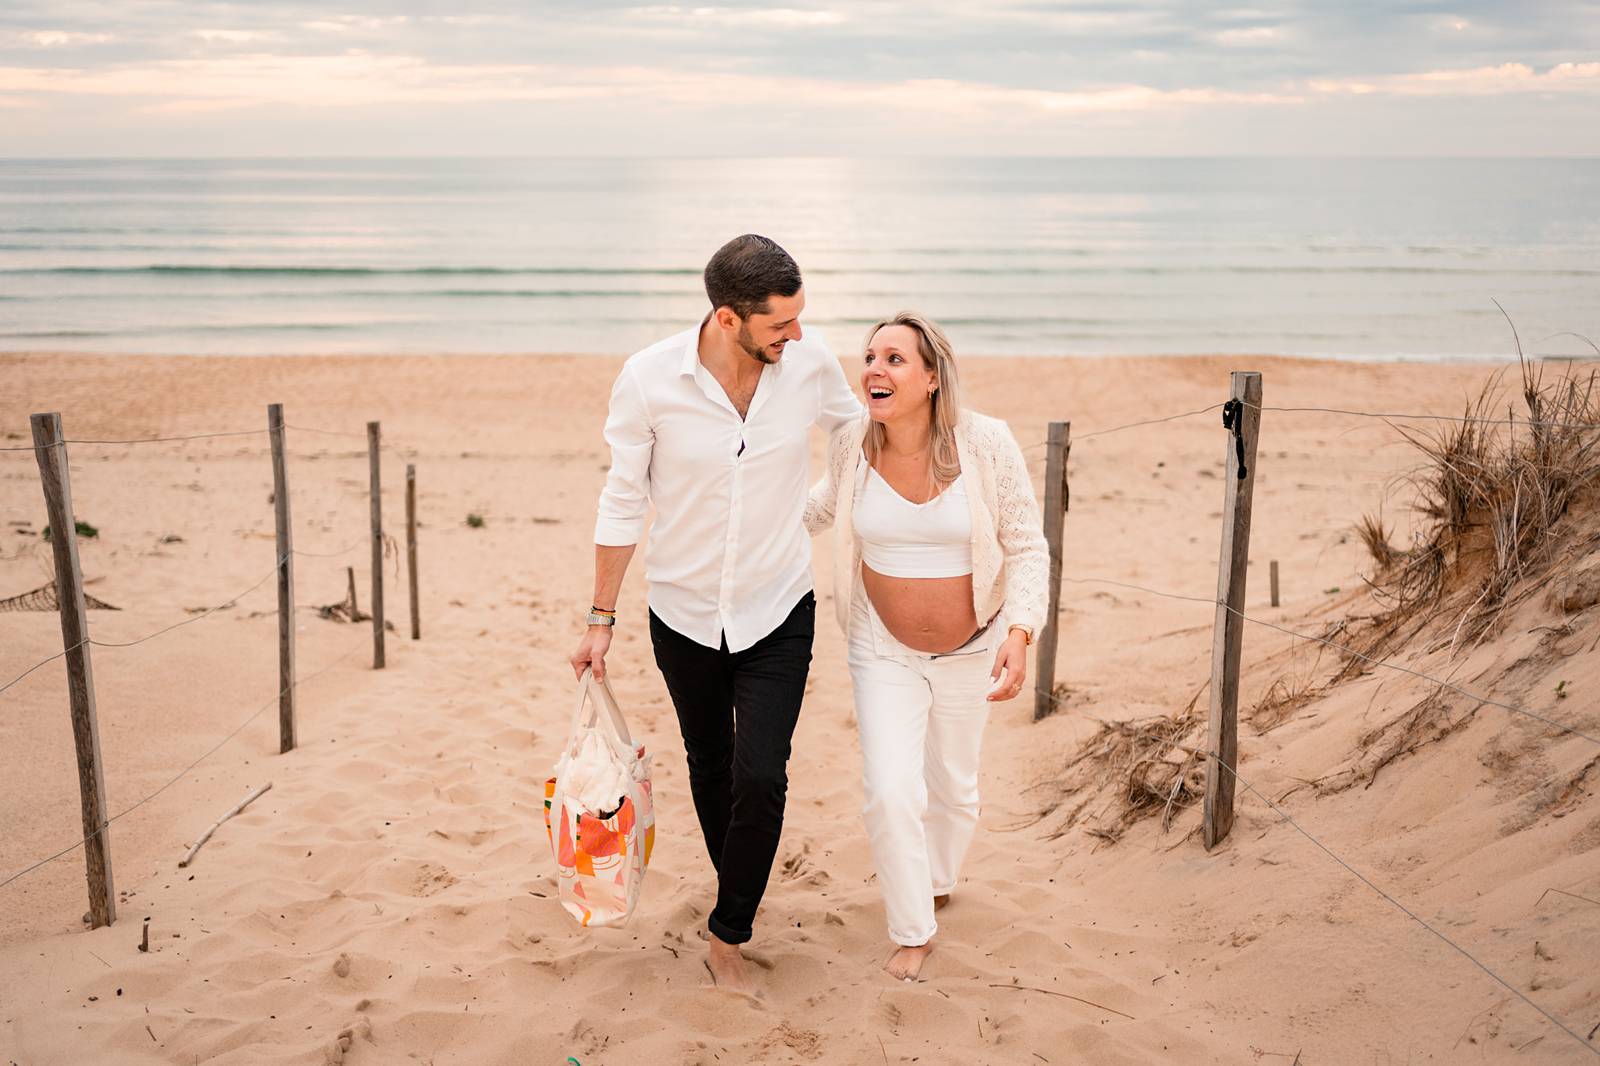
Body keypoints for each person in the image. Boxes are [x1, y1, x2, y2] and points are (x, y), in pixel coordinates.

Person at [570, 234, 860, 994]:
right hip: (684, 610)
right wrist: (600, 617)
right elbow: (623, 497)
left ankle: (728, 931)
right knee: (711, 764)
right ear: (729, 319)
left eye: (800, 320)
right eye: (780, 325)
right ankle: (737, 882)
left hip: (779, 604)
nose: (796, 336)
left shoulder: (810, 363)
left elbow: (857, 431)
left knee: (762, 775)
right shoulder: (647, 379)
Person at [804, 311, 1048, 981]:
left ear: (932, 377)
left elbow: (1028, 543)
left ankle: (937, 877)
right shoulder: (852, 441)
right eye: (870, 357)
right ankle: (914, 930)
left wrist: (1021, 633)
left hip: (975, 646)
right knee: (889, 790)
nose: (875, 369)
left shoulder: (986, 442)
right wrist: (734, 513)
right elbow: (821, 508)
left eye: (894, 359)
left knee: (956, 789)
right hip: (881, 649)